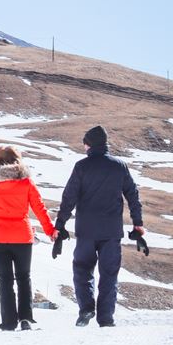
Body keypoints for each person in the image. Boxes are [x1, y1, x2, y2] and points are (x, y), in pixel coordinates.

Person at [54, 125, 144, 328]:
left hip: (86, 231)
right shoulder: (119, 166)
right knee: (109, 274)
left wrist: (60, 225)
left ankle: (86, 309)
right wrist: (137, 223)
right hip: (111, 232)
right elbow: (133, 195)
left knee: (82, 269)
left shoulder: (81, 167)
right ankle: (106, 319)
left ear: (89, 144)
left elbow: (69, 198)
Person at [0, 145, 57, 331]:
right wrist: (49, 230)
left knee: (4, 280)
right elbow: (39, 208)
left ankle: (8, 322)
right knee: (23, 278)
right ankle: (25, 319)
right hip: (21, 236)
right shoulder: (26, 183)